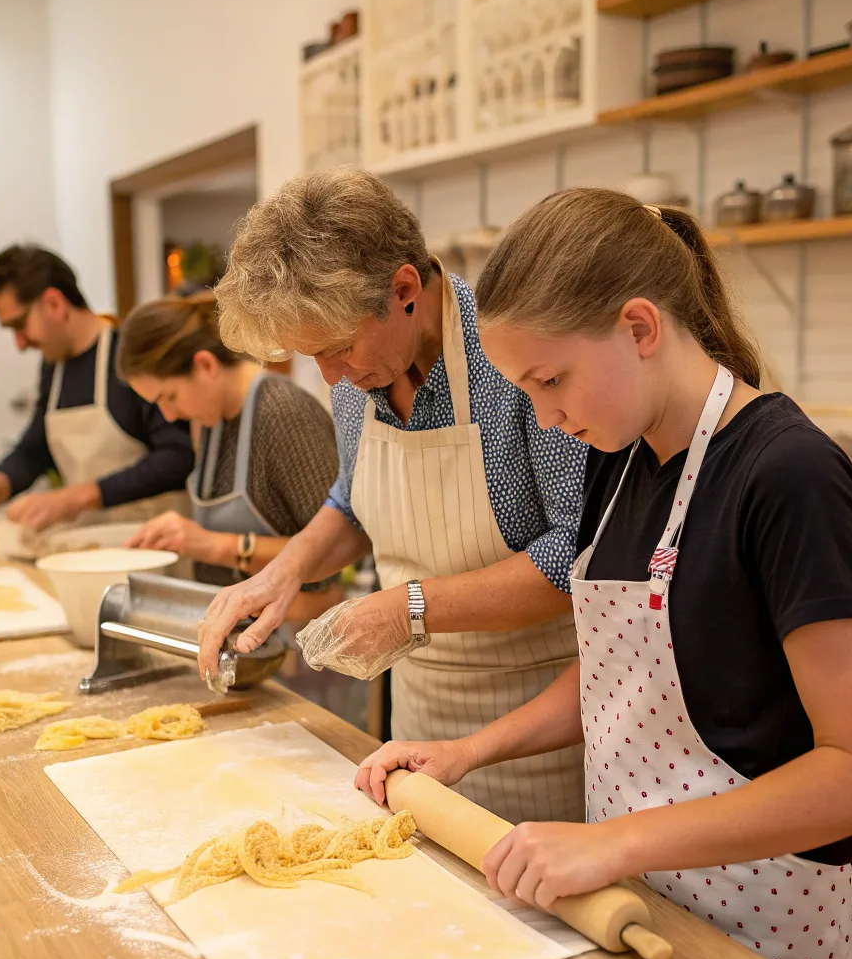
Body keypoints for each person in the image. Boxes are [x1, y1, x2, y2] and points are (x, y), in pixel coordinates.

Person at [355, 189, 852, 959]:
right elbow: (626, 672)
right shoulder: (621, 459)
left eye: (550, 381)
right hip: (646, 904)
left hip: (769, 925)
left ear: (640, 328)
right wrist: (469, 753)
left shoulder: (787, 475)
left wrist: (618, 844)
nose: (543, 420)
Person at [197, 166, 588, 825]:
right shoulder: (358, 371)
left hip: (540, 737)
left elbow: (578, 555)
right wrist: (282, 573)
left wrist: (411, 606)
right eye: (310, 356)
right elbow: (354, 502)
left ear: (404, 289)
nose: (330, 377)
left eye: (339, 349)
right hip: (419, 723)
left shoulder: (516, 360)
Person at [0, 245, 194, 531]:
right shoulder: (54, 368)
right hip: (90, 549)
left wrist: (77, 498)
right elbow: (33, 451)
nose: (20, 344)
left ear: (55, 303)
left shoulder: (131, 357)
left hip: (154, 549)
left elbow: (178, 457)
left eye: (20, 325)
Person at [115, 294, 340, 611]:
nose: (168, 415)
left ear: (206, 366)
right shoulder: (212, 418)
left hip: (297, 639)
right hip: (239, 631)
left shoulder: (282, 413)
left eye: (170, 397)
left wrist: (214, 545)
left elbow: (335, 551)